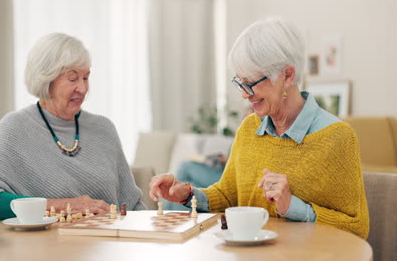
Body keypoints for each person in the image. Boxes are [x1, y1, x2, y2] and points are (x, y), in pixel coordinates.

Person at [149, 17, 369, 239]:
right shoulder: (249, 129)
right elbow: (227, 196)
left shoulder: (337, 137)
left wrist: (292, 206)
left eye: (252, 83)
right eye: (240, 83)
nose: (245, 94)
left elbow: (357, 227)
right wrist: (187, 195)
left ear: (287, 75)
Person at [0, 33, 146, 219]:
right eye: (72, 78)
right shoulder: (15, 127)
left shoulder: (103, 128)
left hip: (109, 243)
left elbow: (132, 204)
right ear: (46, 79)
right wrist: (63, 205)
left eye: (86, 77)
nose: (82, 89)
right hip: (47, 245)